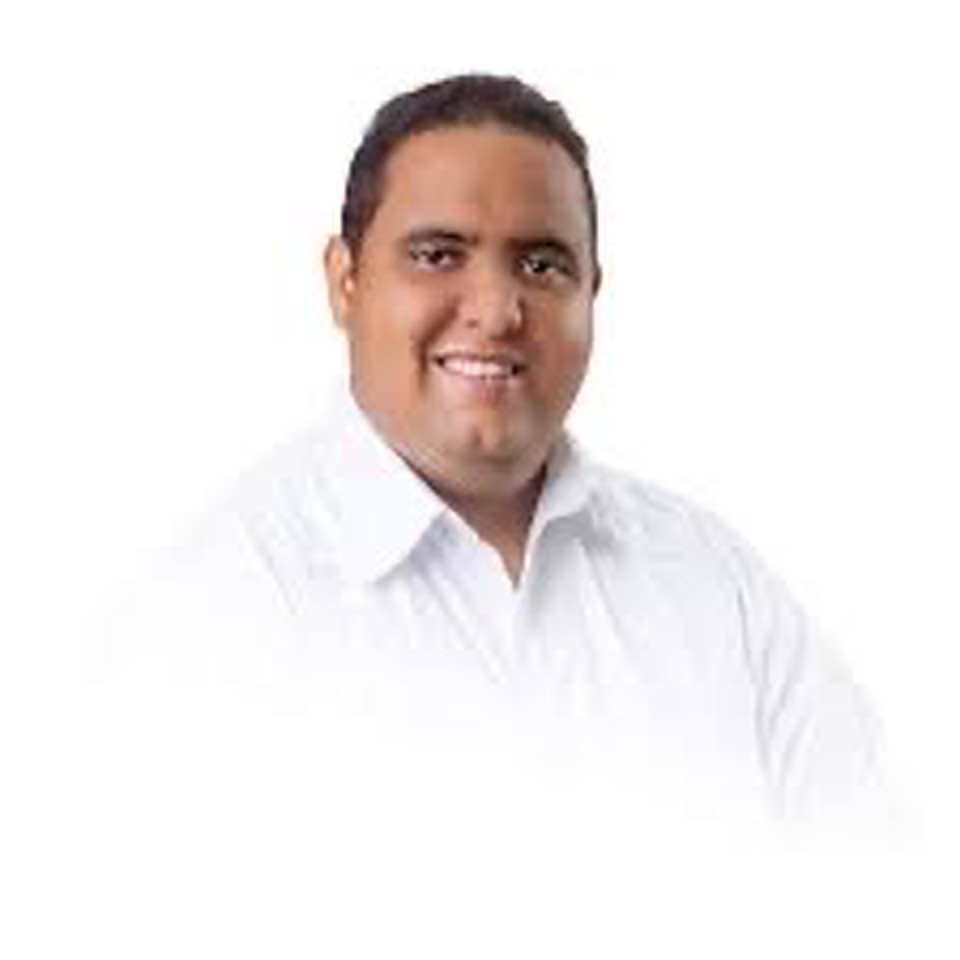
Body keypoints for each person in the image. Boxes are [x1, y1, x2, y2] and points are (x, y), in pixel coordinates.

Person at [108, 73, 892, 836]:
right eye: (438, 254)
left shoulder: (716, 588)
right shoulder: (213, 611)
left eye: (541, 265)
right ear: (345, 282)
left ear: (591, 292)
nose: (495, 311)